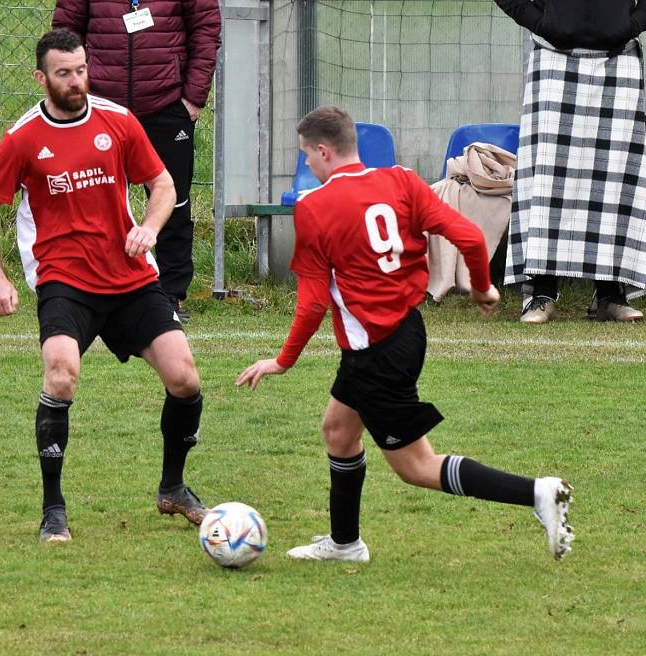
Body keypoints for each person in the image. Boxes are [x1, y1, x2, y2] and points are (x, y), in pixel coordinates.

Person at [236, 106, 575, 563]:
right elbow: (471, 239)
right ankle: (345, 543)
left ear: (322, 150)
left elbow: (314, 301)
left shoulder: (315, 208)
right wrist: (481, 287)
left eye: (307, 156)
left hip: (375, 351)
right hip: (405, 332)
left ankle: (537, 493)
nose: (308, 166)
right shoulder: (401, 180)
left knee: (417, 467)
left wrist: (283, 360)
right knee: (338, 431)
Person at [0, 29, 208, 542]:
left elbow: (163, 184)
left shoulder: (117, 121)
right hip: (65, 278)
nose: (75, 81)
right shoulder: (24, 137)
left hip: (129, 276)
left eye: (80, 70)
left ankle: (173, 487)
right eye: (63, 73)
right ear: (41, 77)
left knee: (185, 378)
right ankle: (53, 509)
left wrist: (149, 226)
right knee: (60, 376)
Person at [52, 0, 222, 323]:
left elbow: (206, 29)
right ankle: (92, 287)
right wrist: (74, 91)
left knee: (174, 201)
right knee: (94, 201)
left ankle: (171, 294)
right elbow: (65, 29)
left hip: (167, 104)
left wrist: (192, 98)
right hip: (102, 106)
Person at [494, 0, 646, 323]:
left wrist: (631, 24)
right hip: (553, 55)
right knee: (549, 182)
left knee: (613, 180)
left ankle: (610, 295)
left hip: (619, 57)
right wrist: (542, 22)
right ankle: (542, 292)